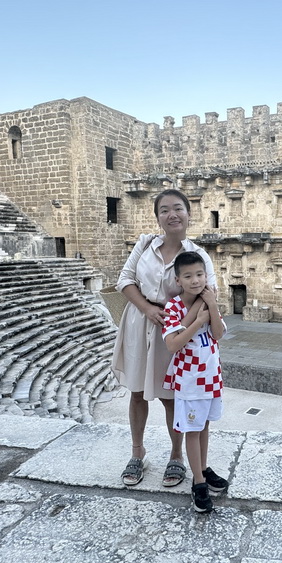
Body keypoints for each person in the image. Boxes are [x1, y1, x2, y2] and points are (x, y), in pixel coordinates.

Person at [110, 189, 216, 487]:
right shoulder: (145, 245)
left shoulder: (197, 254)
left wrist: (178, 321)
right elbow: (125, 280)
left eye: (178, 208)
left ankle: (176, 456)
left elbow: (210, 293)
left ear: (188, 213)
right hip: (138, 324)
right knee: (137, 392)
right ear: (158, 217)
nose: (172, 214)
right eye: (165, 210)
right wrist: (146, 308)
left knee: (171, 397)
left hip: (173, 331)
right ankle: (137, 451)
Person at [162, 251, 229, 513]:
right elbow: (173, 344)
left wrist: (211, 305)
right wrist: (197, 319)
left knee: (204, 426)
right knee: (192, 429)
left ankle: (201, 467)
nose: (195, 280)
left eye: (199, 274)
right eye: (188, 276)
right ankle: (198, 483)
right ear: (178, 280)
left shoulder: (207, 299)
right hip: (190, 380)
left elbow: (218, 333)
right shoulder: (173, 307)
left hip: (211, 376)